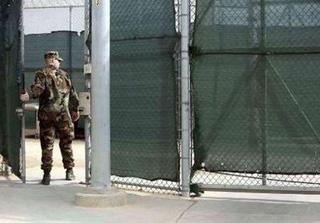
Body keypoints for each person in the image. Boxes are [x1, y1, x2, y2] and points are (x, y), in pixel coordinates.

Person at [20, 51, 80, 185]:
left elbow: (71, 93)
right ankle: (67, 171)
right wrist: (74, 109)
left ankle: (48, 175)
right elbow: (71, 94)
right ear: (53, 61)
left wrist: (75, 109)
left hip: (52, 116)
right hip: (60, 116)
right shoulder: (55, 75)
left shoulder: (52, 74)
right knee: (65, 144)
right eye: (56, 60)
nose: (57, 63)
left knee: (49, 145)